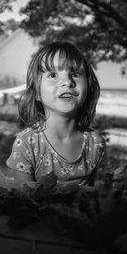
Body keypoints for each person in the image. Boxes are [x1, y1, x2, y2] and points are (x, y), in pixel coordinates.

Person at [6, 42, 106, 186]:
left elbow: (97, 197)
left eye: (76, 74)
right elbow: (24, 202)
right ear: (36, 93)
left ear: (89, 88)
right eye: (53, 74)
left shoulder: (95, 143)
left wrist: (110, 187)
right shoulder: (27, 144)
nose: (67, 82)